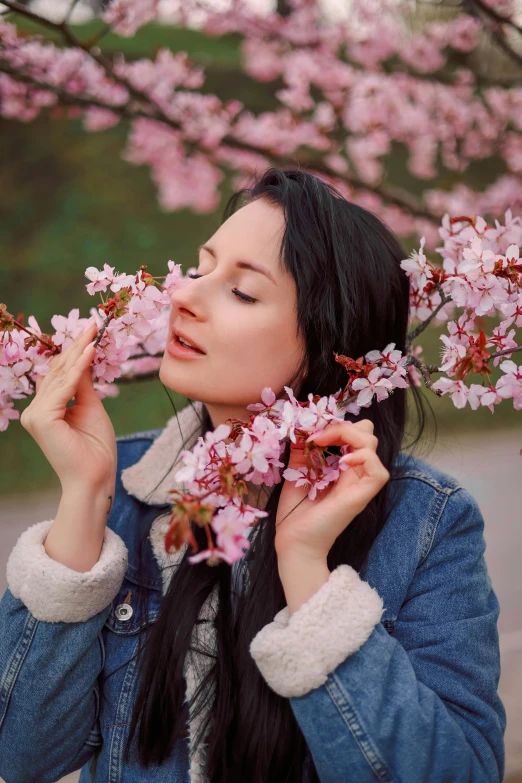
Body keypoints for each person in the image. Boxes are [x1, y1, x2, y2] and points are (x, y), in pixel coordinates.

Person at [0, 167, 506, 783]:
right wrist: (86, 496)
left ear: (328, 340)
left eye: (241, 291)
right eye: (202, 266)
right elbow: (20, 756)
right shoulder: (131, 490)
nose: (183, 296)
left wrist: (305, 568)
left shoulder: (426, 521)